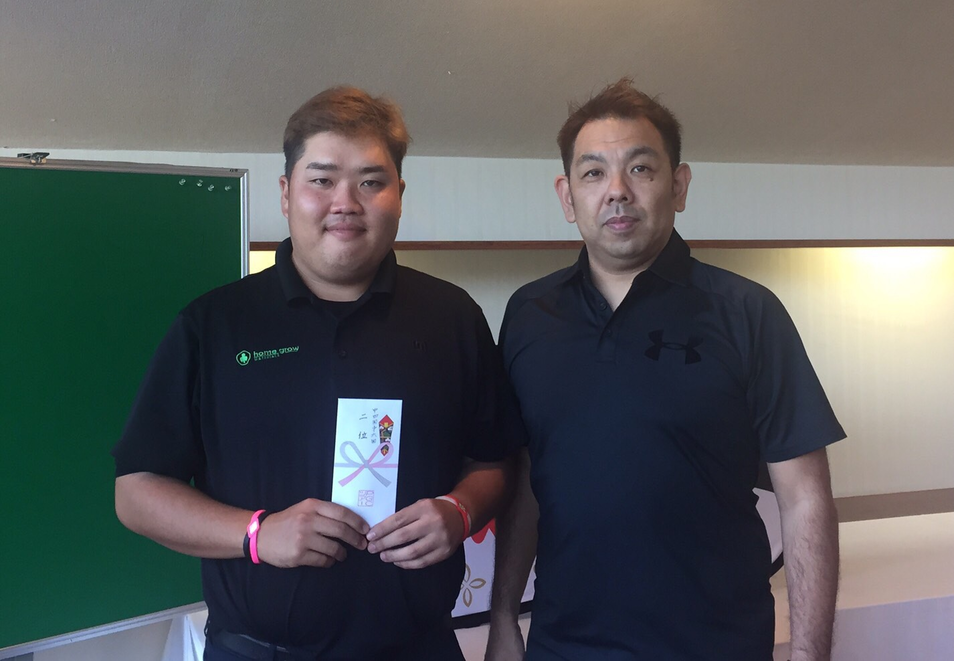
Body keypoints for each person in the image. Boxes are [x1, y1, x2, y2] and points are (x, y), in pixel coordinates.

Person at [113, 86, 520, 661]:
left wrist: (460, 511)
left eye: (371, 182)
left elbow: (493, 461)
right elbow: (136, 492)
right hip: (257, 651)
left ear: (400, 195)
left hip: (420, 648)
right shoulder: (213, 325)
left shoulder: (452, 317)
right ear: (286, 194)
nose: (346, 202)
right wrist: (257, 534)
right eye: (322, 180)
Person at [486, 79, 845, 661]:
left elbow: (806, 498)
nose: (617, 191)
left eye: (641, 169)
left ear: (678, 186)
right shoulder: (529, 314)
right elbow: (527, 474)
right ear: (567, 196)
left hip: (716, 646)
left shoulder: (747, 312)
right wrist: (503, 615)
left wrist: (810, 657)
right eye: (593, 173)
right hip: (563, 645)